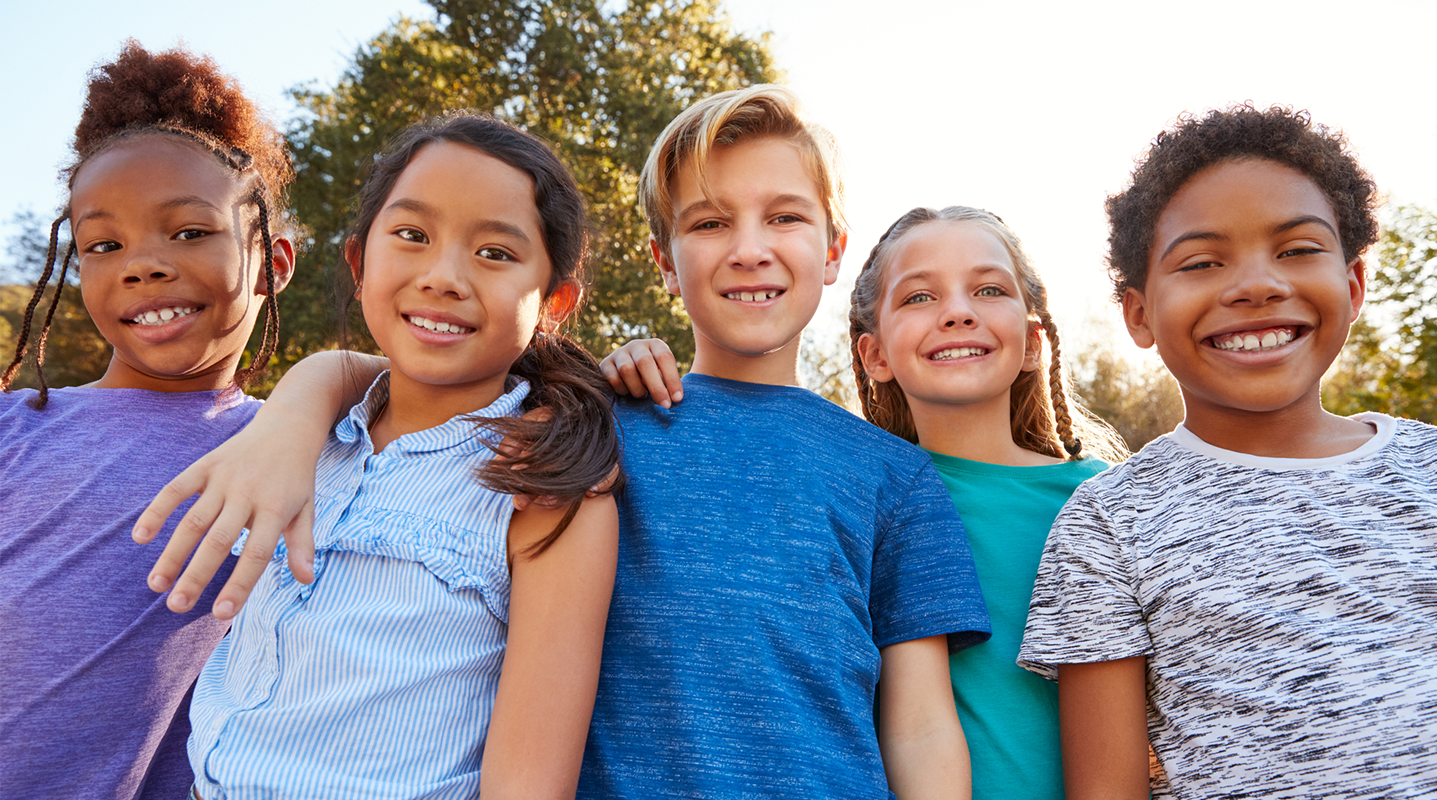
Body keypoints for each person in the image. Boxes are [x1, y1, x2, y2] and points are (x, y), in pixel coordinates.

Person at [138, 85, 989, 798]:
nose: (750, 250)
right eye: (708, 224)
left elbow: (916, 723)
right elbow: (436, 365)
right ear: (662, 260)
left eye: (785, 218)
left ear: (834, 249)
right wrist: (305, 393)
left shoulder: (894, 474)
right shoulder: (584, 422)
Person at [612, 205, 1127, 799]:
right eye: (918, 298)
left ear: (1035, 341)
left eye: (988, 289)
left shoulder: (1107, 501)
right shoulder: (851, 492)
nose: (958, 312)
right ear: (873, 355)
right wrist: (621, 376)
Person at [183, 113, 621, 799]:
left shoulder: (545, 487)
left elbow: (528, 784)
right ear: (359, 265)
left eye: (496, 253)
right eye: (412, 236)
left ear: (553, 302)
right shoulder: (304, 438)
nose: (443, 276)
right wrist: (306, 394)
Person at [1017, 105, 1437, 799]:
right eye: (1202, 261)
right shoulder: (1107, 527)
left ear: (1354, 283)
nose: (1255, 285)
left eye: (1297, 249)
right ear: (1138, 313)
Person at [0, 42, 296, 800]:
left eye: (188, 232)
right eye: (103, 245)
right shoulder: (14, 432)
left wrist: (322, 386)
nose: (143, 264)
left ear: (275, 262)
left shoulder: (289, 446)